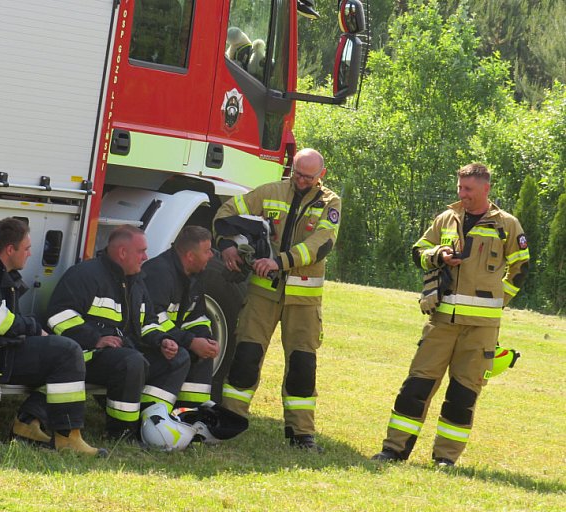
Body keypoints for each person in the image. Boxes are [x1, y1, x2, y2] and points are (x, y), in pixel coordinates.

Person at [372, 163, 529, 467]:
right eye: (460, 187)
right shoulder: (447, 218)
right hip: (440, 320)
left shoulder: (507, 224)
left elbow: (521, 267)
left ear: (486, 189)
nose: (462, 194)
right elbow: (418, 250)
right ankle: (393, 450)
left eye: (468, 189)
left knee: (462, 395)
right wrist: (438, 255)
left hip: (481, 329)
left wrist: (500, 300)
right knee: (415, 387)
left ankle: (445, 459)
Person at [0, 218, 105, 457]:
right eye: (26, 248)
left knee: (68, 355)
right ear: (9, 249)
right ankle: (68, 437)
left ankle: (28, 423)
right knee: (66, 352)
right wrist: (34, 329)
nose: (30, 254)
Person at [214, 148, 341, 450]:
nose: (301, 180)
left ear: (320, 175)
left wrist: (280, 262)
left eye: (308, 177)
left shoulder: (330, 202)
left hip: (303, 299)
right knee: (246, 356)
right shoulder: (270, 191)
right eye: (297, 173)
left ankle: (301, 433)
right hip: (263, 292)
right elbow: (224, 215)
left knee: (302, 365)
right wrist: (228, 245)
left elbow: (320, 245)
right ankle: (230, 420)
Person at [46, 225, 190, 440]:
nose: (146, 257)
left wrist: (162, 341)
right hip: (87, 356)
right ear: (123, 252)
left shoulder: (136, 282)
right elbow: (58, 316)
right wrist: (96, 339)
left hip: (124, 353)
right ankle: (122, 432)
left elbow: (147, 322)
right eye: (141, 251)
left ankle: (150, 423)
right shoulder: (85, 274)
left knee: (179, 357)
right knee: (132, 362)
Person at [142, 225, 218, 409]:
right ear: (190, 256)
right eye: (207, 251)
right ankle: (153, 415)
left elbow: (196, 316)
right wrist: (191, 342)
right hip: (149, 340)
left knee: (203, 355)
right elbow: (153, 318)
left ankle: (191, 416)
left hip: (172, 339)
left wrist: (204, 339)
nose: (212, 255)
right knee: (180, 355)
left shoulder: (194, 275)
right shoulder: (159, 273)